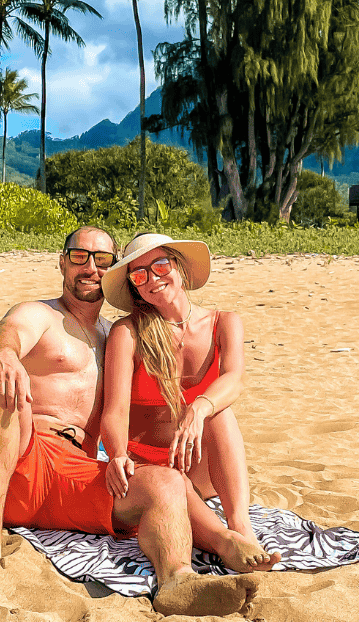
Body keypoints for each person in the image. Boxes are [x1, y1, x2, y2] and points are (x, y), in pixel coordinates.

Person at [0, 226, 261, 617]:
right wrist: (3, 355)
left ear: (110, 273)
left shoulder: (115, 335)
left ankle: (178, 580)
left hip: (79, 472)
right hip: (24, 459)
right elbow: (10, 333)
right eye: (79, 256)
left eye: (101, 259)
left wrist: (123, 454)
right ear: (62, 261)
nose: (89, 267)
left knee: (165, 482)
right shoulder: (42, 315)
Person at [99, 233, 280, 572]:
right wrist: (118, 455)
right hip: (149, 467)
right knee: (169, 482)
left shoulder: (224, 322)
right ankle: (224, 542)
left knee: (219, 413)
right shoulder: (128, 332)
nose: (152, 279)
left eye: (160, 265)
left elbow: (235, 378)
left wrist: (199, 408)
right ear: (134, 287)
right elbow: (115, 410)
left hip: (200, 465)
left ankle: (241, 527)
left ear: (179, 267)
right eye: (139, 275)